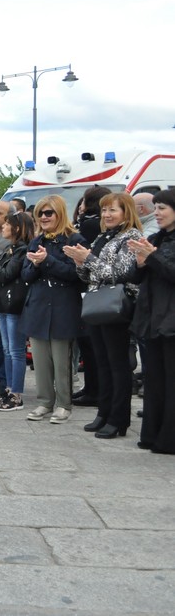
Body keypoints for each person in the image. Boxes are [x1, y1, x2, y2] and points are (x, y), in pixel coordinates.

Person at [65, 192, 143, 438]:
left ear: (126, 212)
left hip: (117, 307)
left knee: (118, 365)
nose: (107, 215)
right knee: (101, 363)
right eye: (105, 210)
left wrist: (88, 258)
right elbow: (90, 277)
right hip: (97, 304)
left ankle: (118, 419)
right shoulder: (103, 236)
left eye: (113, 210)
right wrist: (80, 263)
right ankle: (104, 413)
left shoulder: (131, 236)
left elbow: (120, 273)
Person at [20, 195, 86, 423]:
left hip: (63, 306)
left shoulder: (74, 239)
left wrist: (47, 261)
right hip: (38, 305)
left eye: (49, 213)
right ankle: (44, 401)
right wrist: (37, 264)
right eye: (40, 213)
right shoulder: (36, 240)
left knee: (62, 360)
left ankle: (64, 404)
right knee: (40, 360)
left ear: (60, 213)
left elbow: (76, 275)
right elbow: (26, 275)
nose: (44, 217)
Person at [130, 189, 175, 453]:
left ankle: (168, 439)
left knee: (170, 381)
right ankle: (152, 434)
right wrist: (140, 262)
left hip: (170, 320)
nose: (156, 213)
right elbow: (139, 279)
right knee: (154, 380)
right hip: (151, 317)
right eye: (155, 208)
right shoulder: (156, 238)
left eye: (162, 209)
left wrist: (151, 257)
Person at [0, 211, 34, 411]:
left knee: (16, 351)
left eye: (7, 224)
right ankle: (9, 389)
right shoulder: (12, 249)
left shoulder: (22, 250)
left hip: (14, 305)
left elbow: (5, 275)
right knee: (8, 350)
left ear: (17, 228)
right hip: (3, 304)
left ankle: (16, 394)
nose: (3, 227)